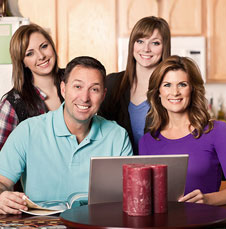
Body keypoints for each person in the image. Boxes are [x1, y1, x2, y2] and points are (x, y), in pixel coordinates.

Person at [0, 56, 133, 214]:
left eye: (94, 89)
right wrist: (2, 196)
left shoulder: (118, 136)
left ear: (103, 95)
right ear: (63, 89)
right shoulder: (27, 131)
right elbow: (2, 181)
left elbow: (129, 193)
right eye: (77, 86)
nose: (85, 98)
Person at [139, 55, 226, 206]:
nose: (175, 92)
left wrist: (208, 199)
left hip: (205, 224)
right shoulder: (147, 141)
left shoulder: (217, 131)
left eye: (182, 84)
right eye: (167, 85)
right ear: (158, 92)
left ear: (192, 89)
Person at [98, 16, 171, 154]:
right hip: (118, 167)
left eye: (155, 43)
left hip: (160, 167)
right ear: (132, 44)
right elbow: (100, 129)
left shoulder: (171, 88)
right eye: (140, 41)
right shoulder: (112, 83)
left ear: (164, 47)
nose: (146, 49)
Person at [0, 23, 64, 150]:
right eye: (30, 54)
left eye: (44, 46)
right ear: (22, 62)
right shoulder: (13, 103)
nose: (41, 56)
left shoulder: (75, 81)